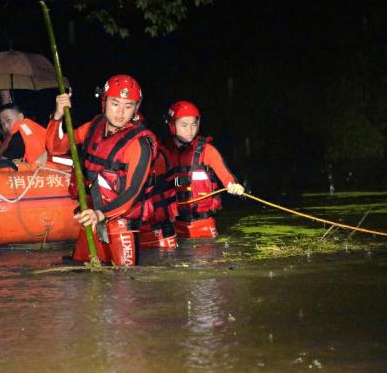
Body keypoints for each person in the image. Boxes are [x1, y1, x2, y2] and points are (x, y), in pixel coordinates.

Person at [45, 74, 157, 266]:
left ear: (136, 109)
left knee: (124, 285)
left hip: (121, 226)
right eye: (115, 103)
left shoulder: (140, 144)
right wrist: (58, 116)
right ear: (104, 102)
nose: (120, 113)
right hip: (91, 220)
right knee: (79, 273)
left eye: (128, 106)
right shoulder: (94, 126)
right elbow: (55, 147)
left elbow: (133, 192)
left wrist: (100, 214)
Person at [164, 100, 244, 239]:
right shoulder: (163, 152)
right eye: (184, 125)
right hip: (174, 226)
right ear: (172, 125)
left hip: (204, 224)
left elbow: (226, 176)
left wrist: (233, 185)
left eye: (193, 125)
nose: (190, 130)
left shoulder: (207, 150)